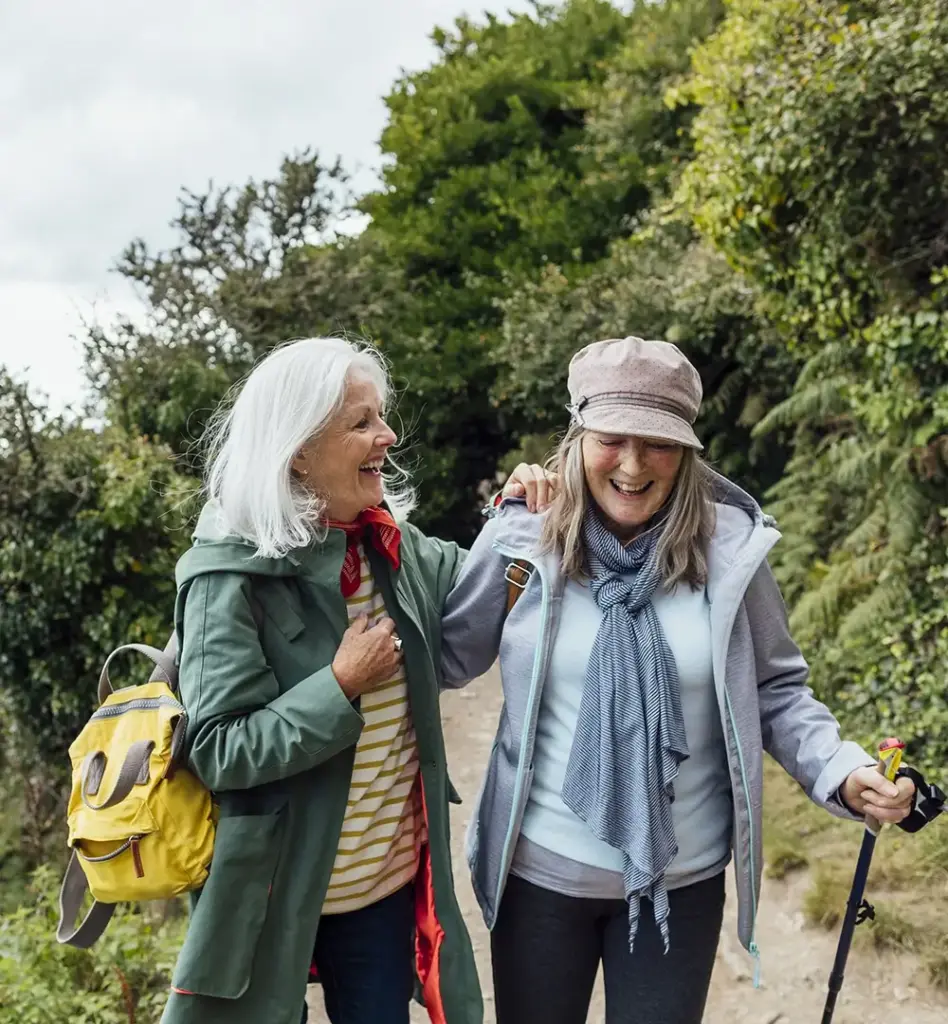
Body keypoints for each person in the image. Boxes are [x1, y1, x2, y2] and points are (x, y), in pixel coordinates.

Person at [440, 337, 916, 1024]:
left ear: (688, 451)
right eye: (612, 439)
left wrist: (842, 771)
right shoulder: (526, 539)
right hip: (539, 880)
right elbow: (448, 660)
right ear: (576, 439)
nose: (633, 464)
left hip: (682, 881)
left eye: (658, 442)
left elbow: (777, 691)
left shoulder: (730, 552)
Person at [160, 336, 542, 1024]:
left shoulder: (385, 543)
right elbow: (217, 748)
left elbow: (478, 585)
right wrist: (337, 684)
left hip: (380, 894)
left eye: (380, 417)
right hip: (275, 897)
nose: (387, 435)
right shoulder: (226, 577)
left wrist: (515, 511)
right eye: (361, 422)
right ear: (298, 450)